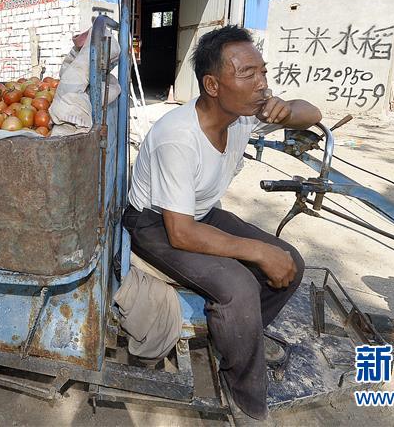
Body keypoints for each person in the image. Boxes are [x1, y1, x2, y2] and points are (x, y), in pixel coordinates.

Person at [123, 25, 322, 420]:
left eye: (263, 72)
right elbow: (180, 232)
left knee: (291, 262)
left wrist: (286, 108)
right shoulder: (177, 136)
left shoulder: (244, 115)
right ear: (212, 85)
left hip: (197, 212)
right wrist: (259, 252)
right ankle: (245, 395)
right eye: (247, 74)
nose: (261, 84)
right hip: (155, 222)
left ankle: (237, 339)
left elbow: (312, 113)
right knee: (239, 287)